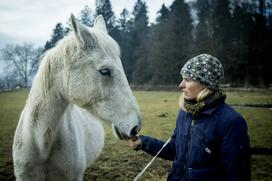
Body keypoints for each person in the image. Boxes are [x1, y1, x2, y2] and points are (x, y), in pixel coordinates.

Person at [127, 54, 251, 181]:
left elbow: (237, 175)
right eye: (182, 79)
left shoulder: (231, 122)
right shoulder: (186, 112)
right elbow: (175, 150)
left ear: (206, 83)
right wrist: (143, 142)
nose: (181, 85)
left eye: (188, 79)